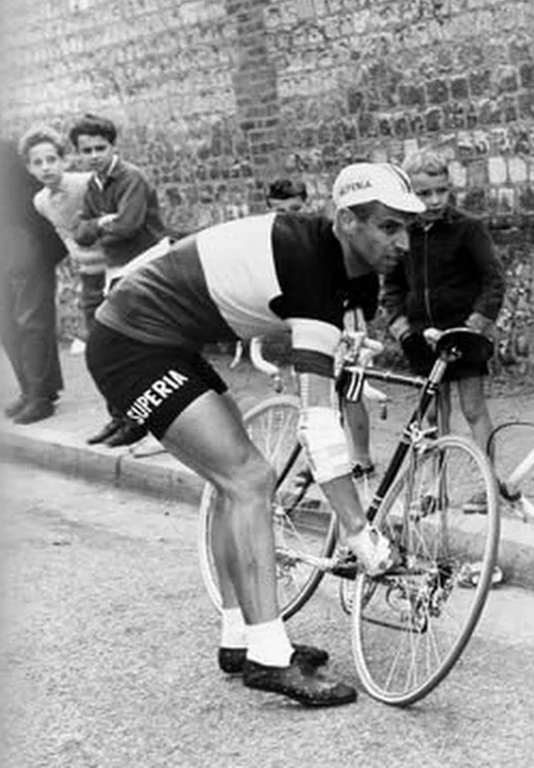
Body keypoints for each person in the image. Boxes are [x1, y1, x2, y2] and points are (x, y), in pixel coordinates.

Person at [83, 162, 423, 706]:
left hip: (163, 342)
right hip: (132, 345)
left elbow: (170, 247)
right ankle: (270, 657)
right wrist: (362, 538)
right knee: (249, 478)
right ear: (345, 221)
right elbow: (319, 426)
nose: (403, 242)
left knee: (231, 482)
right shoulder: (310, 266)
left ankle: (239, 638)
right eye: (389, 227)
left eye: (408, 227)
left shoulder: (346, 265)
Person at [383, 150, 507, 510]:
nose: (435, 200)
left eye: (442, 191)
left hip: (463, 334)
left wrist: (474, 326)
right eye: (424, 194)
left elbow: (493, 280)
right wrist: (401, 327)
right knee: (434, 414)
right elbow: (391, 284)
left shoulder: (467, 227)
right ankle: (435, 488)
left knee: (473, 409)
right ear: (410, 193)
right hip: (421, 337)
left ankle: (489, 486)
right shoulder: (402, 230)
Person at [70, 113, 167, 448]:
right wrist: (101, 222)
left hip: (147, 266)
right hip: (116, 269)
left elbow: (128, 226)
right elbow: (80, 234)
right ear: (78, 154)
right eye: (87, 150)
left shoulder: (131, 178)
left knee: (138, 348)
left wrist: (96, 224)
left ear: (113, 146)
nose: (94, 154)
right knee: (105, 348)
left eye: (101, 147)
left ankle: (144, 420)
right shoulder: (92, 186)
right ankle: (121, 416)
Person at [0, 138, 68, 424]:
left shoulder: (1, 151)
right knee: (4, 321)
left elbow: (37, 195)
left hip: (21, 243)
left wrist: (41, 248)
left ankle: (40, 396)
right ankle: (30, 389)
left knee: (32, 320)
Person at [23, 125, 102, 348]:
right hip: (89, 274)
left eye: (51, 159)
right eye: (38, 163)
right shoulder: (40, 201)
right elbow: (62, 230)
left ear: (64, 160)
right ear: (29, 168)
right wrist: (74, 251)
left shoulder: (87, 183)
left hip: (115, 267)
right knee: (98, 334)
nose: (46, 167)